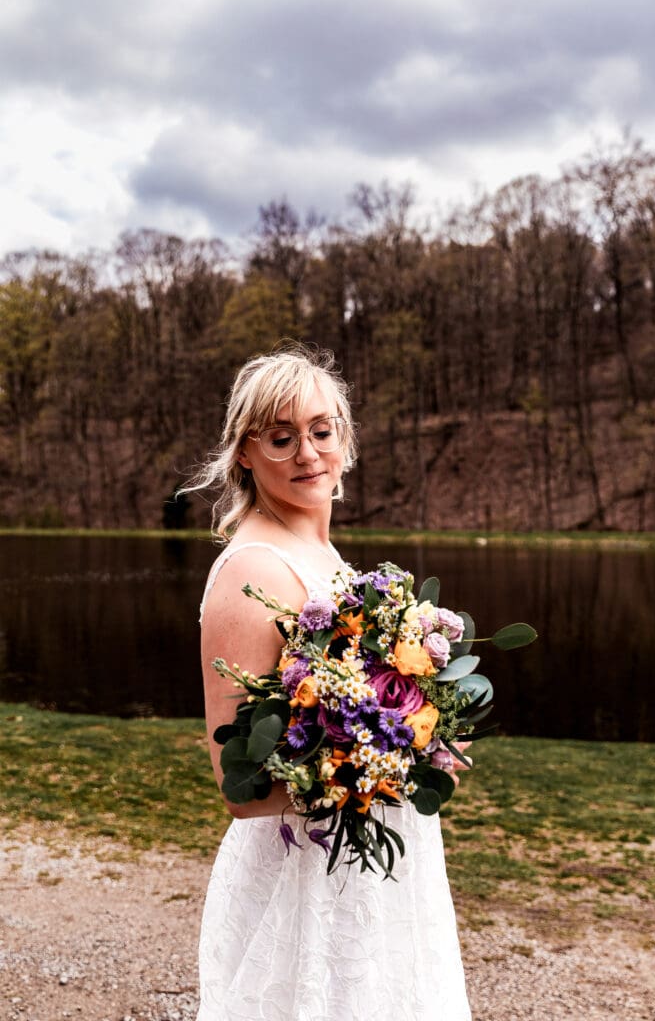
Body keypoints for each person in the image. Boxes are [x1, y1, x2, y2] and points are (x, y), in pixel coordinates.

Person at [191, 347, 472, 1021]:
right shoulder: (249, 572)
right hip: (307, 877)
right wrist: (388, 770)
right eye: (280, 438)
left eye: (320, 431)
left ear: (343, 440)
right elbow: (240, 788)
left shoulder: (322, 555)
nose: (306, 453)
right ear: (245, 455)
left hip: (374, 865)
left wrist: (426, 734)